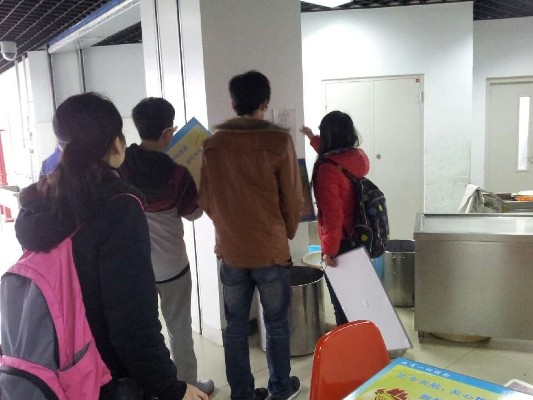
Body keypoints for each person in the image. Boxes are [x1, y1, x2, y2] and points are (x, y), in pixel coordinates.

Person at [14, 92, 208, 400]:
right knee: (178, 327)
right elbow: (131, 325)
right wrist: (171, 388)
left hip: (66, 364)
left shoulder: (45, 201)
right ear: (116, 143)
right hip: (111, 376)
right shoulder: (120, 203)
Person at [198, 70, 303, 400]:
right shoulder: (278, 142)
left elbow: (206, 200)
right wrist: (284, 232)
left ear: (233, 104)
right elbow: (293, 199)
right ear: (265, 103)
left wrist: (228, 228)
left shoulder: (213, 145)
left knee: (235, 328)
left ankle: (241, 394)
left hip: (230, 252)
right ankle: (281, 389)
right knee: (277, 324)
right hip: (270, 250)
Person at [120, 97, 214, 396]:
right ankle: (189, 387)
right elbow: (193, 213)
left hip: (136, 268)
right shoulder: (178, 171)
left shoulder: (123, 165)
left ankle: (153, 389)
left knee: (145, 334)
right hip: (173, 266)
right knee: (179, 328)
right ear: (167, 133)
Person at [301, 111, 370, 326]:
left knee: (341, 304)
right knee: (355, 298)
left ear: (329, 136)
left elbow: (332, 215)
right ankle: (359, 338)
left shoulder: (327, 170)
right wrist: (312, 137)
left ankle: (347, 343)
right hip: (359, 236)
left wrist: (329, 251)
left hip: (340, 243)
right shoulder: (357, 158)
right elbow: (333, 155)